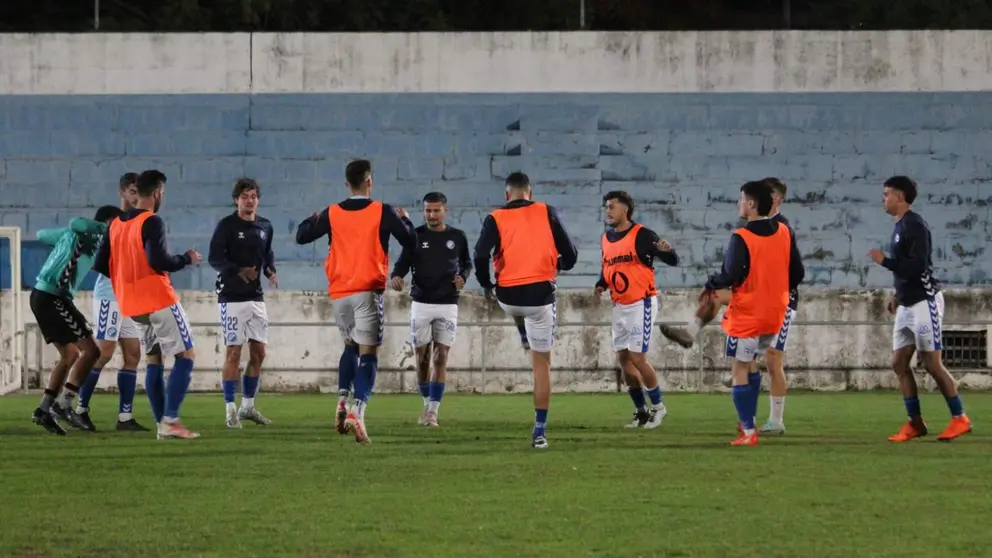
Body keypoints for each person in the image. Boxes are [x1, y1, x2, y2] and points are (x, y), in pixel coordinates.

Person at [295, 159, 417, 444]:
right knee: (369, 353)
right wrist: (406, 219)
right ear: (369, 181)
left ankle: (341, 401)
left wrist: (311, 219)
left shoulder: (332, 212)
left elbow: (301, 236)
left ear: (346, 184)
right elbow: (410, 240)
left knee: (350, 346)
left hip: (339, 293)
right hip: (367, 290)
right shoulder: (382, 211)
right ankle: (357, 412)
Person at [91, 169, 203, 440]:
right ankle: (170, 420)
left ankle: (161, 423)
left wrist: (127, 275)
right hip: (157, 298)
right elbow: (159, 261)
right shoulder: (151, 221)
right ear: (157, 193)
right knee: (186, 355)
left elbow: (100, 264)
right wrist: (186, 258)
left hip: (132, 305)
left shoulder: (115, 224)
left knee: (154, 358)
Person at [473, 172, 579, 449]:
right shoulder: (547, 211)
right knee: (541, 365)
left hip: (507, 296)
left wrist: (486, 285)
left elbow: (480, 254)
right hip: (540, 296)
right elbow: (571, 256)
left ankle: (522, 329)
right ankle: (539, 432)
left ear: (507, 195)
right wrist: (559, 265)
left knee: (514, 307)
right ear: (530, 193)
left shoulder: (495, 217)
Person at [700, 181, 803, 446]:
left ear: (752, 204)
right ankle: (753, 420)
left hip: (748, 313)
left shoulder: (741, 237)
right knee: (755, 361)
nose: (739, 204)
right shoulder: (784, 231)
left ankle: (747, 431)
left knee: (740, 368)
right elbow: (798, 273)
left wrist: (711, 282)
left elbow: (730, 275)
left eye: (741, 199)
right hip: (776, 313)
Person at [869, 176, 971, 442]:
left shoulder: (914, 225)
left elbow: (918, 267)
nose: (883, 199)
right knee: (898, 363)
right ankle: (915, 423)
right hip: (907, 302)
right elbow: (906, 268)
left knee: (932, 363)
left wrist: (885, 262)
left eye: (886, 194)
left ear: (900, 197)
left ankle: (960, 418)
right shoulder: (900, 226)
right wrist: (897, 294)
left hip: (925, 301)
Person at [30, 206, 124, 435]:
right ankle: (64, 404)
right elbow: (76, 223)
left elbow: (41, 234)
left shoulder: (77, 237)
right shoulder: (90, 235)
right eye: (116, 224)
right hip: (54, 296)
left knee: (70, 355)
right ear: (106, 223)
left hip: (42, 295)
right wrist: (102, 230)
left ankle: (44, 410)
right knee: (92, 351)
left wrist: (64, 241)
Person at [595, 191, 679, 429]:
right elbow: (608, 266)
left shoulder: (642, 235)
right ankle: (641, 410)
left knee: (638, 357)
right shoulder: (606, 238)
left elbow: (672, 260)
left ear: (625, 210)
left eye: (612, 207)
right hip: (619, 306)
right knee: (624, 359)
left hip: (641, 303)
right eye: (606, 207)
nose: (608, 211)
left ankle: (658, 408)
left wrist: (668, 250)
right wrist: (601, 283)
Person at [390, 192, 471, 427]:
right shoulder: (415, 236)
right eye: (428, 211)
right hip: (421, 303)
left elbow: (467, 264)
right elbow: (401, 265)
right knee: (423, 358)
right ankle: (426, 404)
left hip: (448, 303)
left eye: (436, 210)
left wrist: (463, 277)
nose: (432, 215)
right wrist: (396, 277)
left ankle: (433, 411)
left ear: (445, 211)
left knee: (441, 355)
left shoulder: (458, 237)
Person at [76, 173, 149, 432]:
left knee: (133, 353)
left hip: (128, 297)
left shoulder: (139, 221)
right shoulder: (111, 222)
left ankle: (125, 417)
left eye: (139, 191)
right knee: (103, 352)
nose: (136, 196)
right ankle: (79, 409)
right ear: (122, 193)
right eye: (132, 191)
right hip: (110, 295)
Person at [208, 178, 277, 429]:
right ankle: (230, 409)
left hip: (255, 296)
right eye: (245, 196)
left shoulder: (265, 226)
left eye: (253, 196)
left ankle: (248, 407)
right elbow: (214, 259)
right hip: (231, 296)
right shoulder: (226, 226)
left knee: (259, 353)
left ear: (258, 200)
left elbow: (267, 254)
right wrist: (238, 271)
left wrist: (270, 271)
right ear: (236, 200)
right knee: (233, 353)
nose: (250, 201)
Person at [755, 177, 799, 434]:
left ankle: (776, 420)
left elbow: (795, 270)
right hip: (761, 301)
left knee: (773, 358)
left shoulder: (781, 227)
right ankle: (748, 418)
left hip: (782, 302)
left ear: (777, 199)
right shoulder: (759, 226)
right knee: (750, 357)